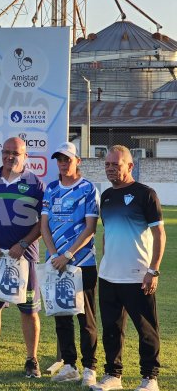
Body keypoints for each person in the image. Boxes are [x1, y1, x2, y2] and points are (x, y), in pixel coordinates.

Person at [91, 145, 166, 391]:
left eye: (116, 165)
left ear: (130, 166)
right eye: (107, 165)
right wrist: (106, 261)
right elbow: (107, 234)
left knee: (146, 329)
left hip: (138, 276)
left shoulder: (146, 194)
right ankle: (113, 375)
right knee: (111, 329)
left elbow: (159, 234)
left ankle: (150, 378)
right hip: (109, 276)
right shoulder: (107, 196)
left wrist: (153, 270)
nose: (111, 169)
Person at [0, 136, 45, 378]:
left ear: (25, 156)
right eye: (6, 151)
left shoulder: (36, 184)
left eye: (15, 153)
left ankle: (31, 359)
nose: (9, 156)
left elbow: (42, 223)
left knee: (28, 310)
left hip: (24, 258)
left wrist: (23, 243)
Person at [40, 141, 99, 386]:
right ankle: (69, 365)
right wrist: (55, 255)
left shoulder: (87, 189)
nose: (63, 164)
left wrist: (69, 255)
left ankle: (89, 367)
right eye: (60, 160)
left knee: (85, 318)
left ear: (78, 161)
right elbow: (44, 225)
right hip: (55, 263)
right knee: (61, 316)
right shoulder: (51, 188)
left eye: (68, 159)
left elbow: (90, 227)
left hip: (81, 262)